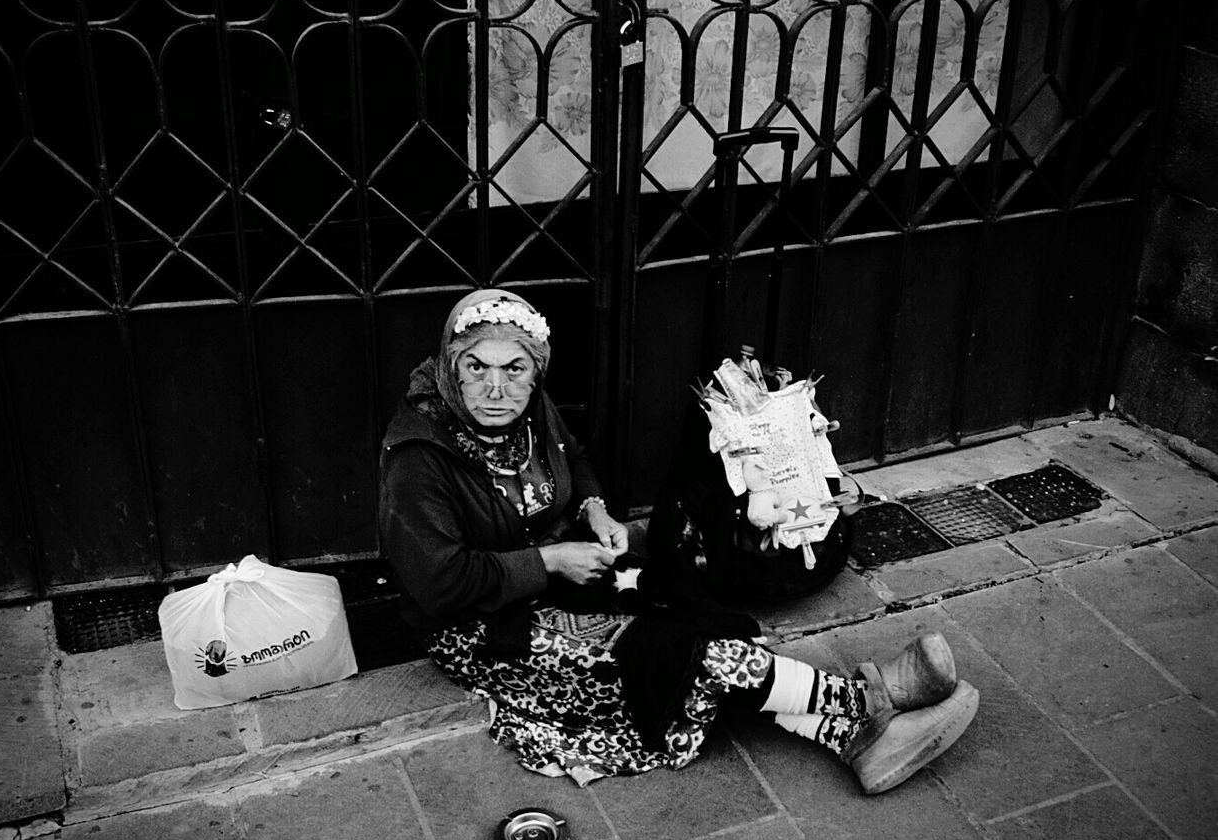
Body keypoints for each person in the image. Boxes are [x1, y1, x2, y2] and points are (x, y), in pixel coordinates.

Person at [378, 288, 978, 792]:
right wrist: (553, 558)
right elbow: (440, 584)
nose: (496, 387)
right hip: (481, 626)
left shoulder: (530, 410)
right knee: (670, 654)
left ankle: (852, 738)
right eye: (476, 367)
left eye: (515, 369)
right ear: (451, 367)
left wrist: (593, 509)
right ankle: (864, 703)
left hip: (561, 579)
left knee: (685, 609)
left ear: (536, 371)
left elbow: (573, 458)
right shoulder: (419, 459)